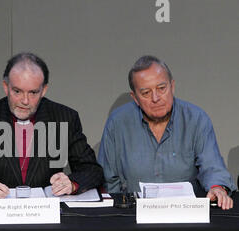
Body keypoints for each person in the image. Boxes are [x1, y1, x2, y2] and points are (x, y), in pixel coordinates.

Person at [0, 52, 104, 199]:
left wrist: (71, 184)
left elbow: (92, 171)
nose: (25, 101)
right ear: (6, 87)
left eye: (32, 93)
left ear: (43, 90)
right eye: (17, 91)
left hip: (47, 215)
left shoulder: (64, 117)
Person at [98, 55, 236, 209]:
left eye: (161, 88)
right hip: (134, 214)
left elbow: (212, 166)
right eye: (146, 93)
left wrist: (217, 187)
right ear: (135, 98)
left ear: (172, 86)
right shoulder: (117, 122)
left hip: (188, 213)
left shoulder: (196, 119)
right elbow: (108, 179)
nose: (156, 98)